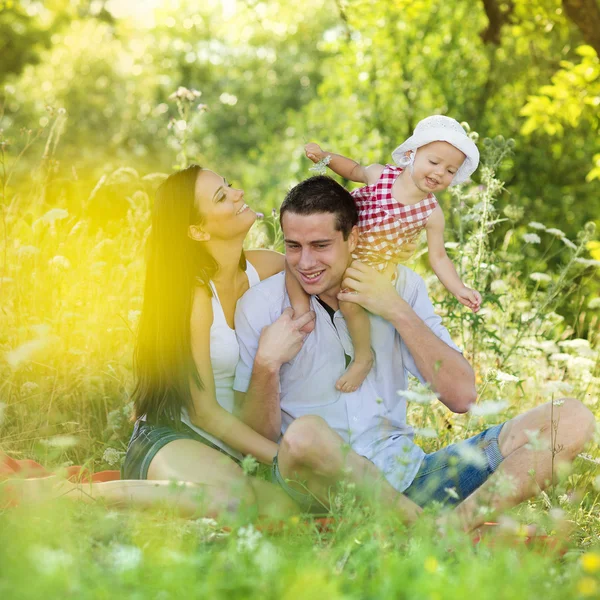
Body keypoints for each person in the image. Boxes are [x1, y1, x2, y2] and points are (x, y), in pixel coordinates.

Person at [233, 174, 596, 532]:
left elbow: (462, 396)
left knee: (571, 418)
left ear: (353, 237)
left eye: (320, 245)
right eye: (294, 246)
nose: (305, 262)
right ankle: (435, 534)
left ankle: (450, 529)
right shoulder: (262, 307)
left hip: (410, 479)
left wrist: (395, 309)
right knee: (305, 434)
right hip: (317, 494)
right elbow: (257, 443)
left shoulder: (401, 285)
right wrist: (266, 364)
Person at [2, 165, 311, 521]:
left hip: (229, 448)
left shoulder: (265, 268)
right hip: (172, 437)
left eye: (230, 186)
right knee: (236, 504)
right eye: (221, 197)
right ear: (196, 230)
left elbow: (319, 267)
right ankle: (74, 493)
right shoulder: (195, 296)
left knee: (283, 511)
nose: (238, 194)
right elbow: (203, 412)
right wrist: (280, 456)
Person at [287, 116, 482, 393]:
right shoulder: (381, 175)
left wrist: (458, 288)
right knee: (292, 267)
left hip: (371, 265)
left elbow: (439, 258)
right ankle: (301, 315)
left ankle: (363, 356)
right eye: (434, 162)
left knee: (350, 301)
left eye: (451, 170)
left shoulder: (431, 213)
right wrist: (323, 157)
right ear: (412, 154)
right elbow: (352, 169)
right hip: (340, 245)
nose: (440, 173)